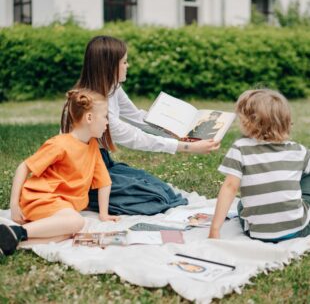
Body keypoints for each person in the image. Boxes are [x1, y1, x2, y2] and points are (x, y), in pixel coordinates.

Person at [73, 35, 221, 216]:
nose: (127, 66)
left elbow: (138, 118)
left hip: (102, 162)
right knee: (156, 199)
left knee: (165, 192)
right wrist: (186, 147)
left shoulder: (112, 87)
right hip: (83, 171)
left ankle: (100, 196)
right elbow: (136, 138)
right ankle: (87, 199)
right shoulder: (91, 103)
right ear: (109, 66)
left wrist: (179, 133)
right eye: (124, 62)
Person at [0, 89, 119, 256]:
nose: (107, 122)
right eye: (105, 116)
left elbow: (104, 181)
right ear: (89, 118)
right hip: (41, 198)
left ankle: (13, 242)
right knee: (76, 222)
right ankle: (18, 231)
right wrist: (14, 205)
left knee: (68, 232)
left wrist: (104, 215)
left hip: (61, 206)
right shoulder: (60, 144)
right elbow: (24, 167)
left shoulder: (93, 147)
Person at [209, 89, 310, 242]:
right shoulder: (299, 151)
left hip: (258, 233)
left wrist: (214, 230)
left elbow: (230, 187)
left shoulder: (241, 148)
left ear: (247, 122)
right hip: (297, 230)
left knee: (241, 205)